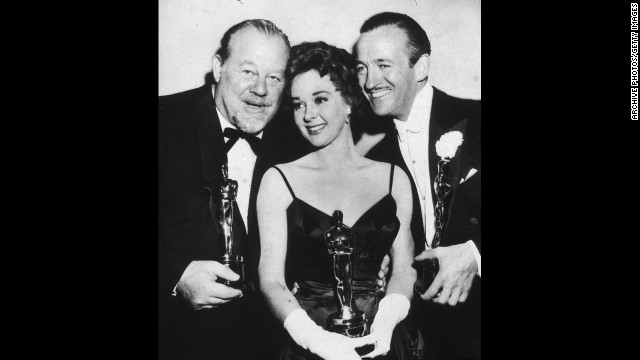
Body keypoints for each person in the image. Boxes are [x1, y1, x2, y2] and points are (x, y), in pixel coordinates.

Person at [257, 41, 424, 360]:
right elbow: (271, 280)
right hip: (310, 341)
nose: (308, 115)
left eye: (320, 99)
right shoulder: (278, 180)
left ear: (349, 101)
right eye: (297, 104)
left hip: (383, 341)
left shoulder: (393, 178)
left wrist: (387, 320)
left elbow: (404, 268)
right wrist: (314, 340)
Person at [159, 19, 309, 360]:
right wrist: (174, 276)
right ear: (218, 67)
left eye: (275, 77)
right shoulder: (164, 120)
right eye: (248, 72)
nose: (261, 89)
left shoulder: (296, 137)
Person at [353, 12, 481, 360]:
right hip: (428, 332)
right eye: (362, 67)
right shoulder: (375, 155)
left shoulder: (477, 120)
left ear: (420, 66)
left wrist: (475, 253)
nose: (369, 81)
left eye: (383, 65)